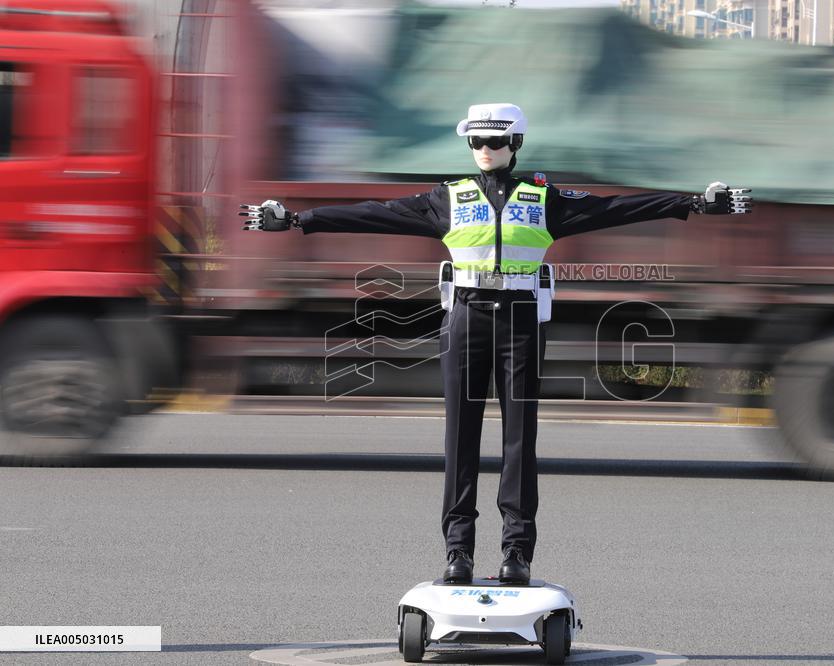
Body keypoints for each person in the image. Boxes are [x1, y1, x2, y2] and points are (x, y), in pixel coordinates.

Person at [240, 103, 751, 585]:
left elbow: (617, 208)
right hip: (465, 318)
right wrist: (298, 219)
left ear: (517, 142)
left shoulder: (544, 197)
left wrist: (693, 204)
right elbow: (373, 212)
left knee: (519, 440)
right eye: (475, 139)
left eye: (495, 139)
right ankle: (458, 551)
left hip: (521, 320)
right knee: (460, 439)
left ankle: (515, 552)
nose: (484, 147)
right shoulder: (447, 197)